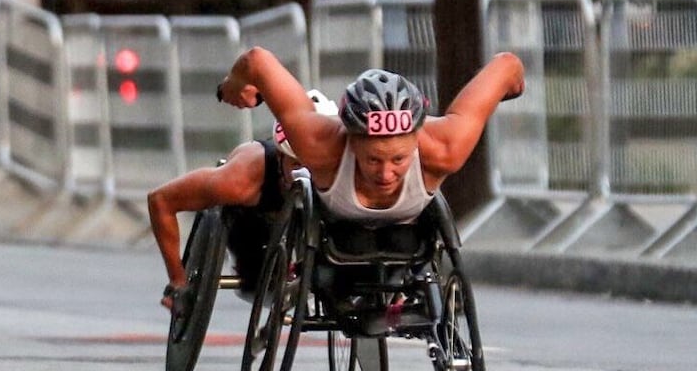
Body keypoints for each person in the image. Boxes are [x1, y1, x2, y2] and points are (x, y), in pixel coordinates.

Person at [215, 47, 525, 232]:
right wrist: (233, 85)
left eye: (399, 159)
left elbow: (507, 65)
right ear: (349, 140)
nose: (386, 173)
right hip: (332, 226)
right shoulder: (321, 146)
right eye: (373, 159)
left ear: (418, 138)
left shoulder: (444, 147)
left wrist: (516, 87)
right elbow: (257, 61)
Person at [148, 91, 338, 311]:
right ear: (280, 155)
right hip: (253, 220)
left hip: (323, 224)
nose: (308, 175)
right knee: (257, 282)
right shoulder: (243, 178)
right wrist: (177, 281)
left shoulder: (357, 170)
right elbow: (160, 201)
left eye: (319, 166)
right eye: (298, 164)